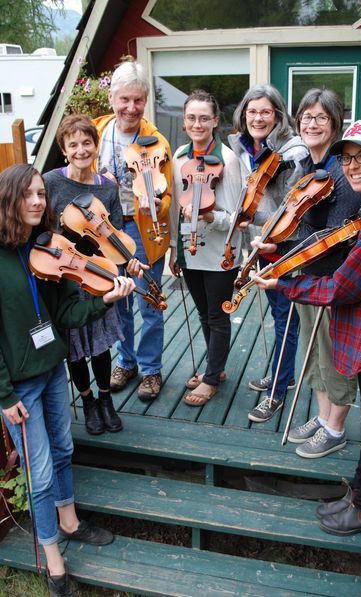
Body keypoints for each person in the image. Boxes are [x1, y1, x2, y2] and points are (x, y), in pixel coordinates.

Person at [253, 119, 361, 535]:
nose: (353, 167)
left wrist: (285, 282)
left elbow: (345, 285)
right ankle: (358, 494)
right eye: (348, 159)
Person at [0, 164, 138, 596]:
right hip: (18, 387)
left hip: (52, 370)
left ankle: (70, 521)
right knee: (38, 474)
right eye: (28, 195)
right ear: (9, 198)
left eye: (41, 194)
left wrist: (107, 301)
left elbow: (65, 316)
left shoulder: (46, 248)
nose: (38, 201)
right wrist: (3, 395)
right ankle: (53, 559)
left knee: (63, 449)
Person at [281, 89, 361, 458]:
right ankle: (322, 416)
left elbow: (330, 237)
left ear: (335, 125)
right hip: (309, 278)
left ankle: (336, 427)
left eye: (321, 118)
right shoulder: (304, 168)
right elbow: (298, 226)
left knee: (335, 357)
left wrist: (289, 262)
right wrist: (277, 246)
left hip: (334, 280)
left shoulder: (341, 173)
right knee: (313, 353)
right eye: (306, 117)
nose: (311, 124)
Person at [93, 57, 173, 400]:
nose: (131, 107)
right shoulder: (95, 132)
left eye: (138, 100)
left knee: (150, 302)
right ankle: (126, 362)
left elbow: (168, 194)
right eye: (124, 99)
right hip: (106, 231)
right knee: (119, 301)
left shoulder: (157, 142)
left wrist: (157, 204)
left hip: (142, 230)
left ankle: (151, 370)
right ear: (112, 99)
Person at [228, 84, 308, 422]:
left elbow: (291, 210)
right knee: (278, 314)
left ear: (278, 114)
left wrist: (246, 217)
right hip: (262, 244)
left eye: (265, 111)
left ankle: (276, 391)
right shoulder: (248, 147)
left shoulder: (292, 151)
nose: (258, 117)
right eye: (252, 111)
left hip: (286, 246)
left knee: (286, 320)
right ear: (243, 115)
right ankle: (283, 373)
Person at [44, 114, 124, 436]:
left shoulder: (107, 187)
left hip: (97, 274)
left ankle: (106, 400)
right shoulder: (50, 182)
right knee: (75, 347)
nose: (80, 150)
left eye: (86, 142)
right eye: (73, 144)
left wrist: (126, 261)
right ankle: (88, 400)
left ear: (95, 145)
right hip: (65, 276)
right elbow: (43, 229)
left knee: (101, 345)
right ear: (64, 149)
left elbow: (115, 232)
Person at [169, 89, 242, 405]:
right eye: (191, 118)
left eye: (203, 118)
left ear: (215, 121)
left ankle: (211, 378)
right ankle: (217, 367)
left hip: (220, 252)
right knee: (203, 313)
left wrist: (210, 216)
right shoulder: (178, 157)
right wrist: (174, 246)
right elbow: (176, 206)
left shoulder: (228, 159)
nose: (196, 124)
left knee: (217, 315)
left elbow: (238, 216)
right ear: (184, 122)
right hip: (189, 248)